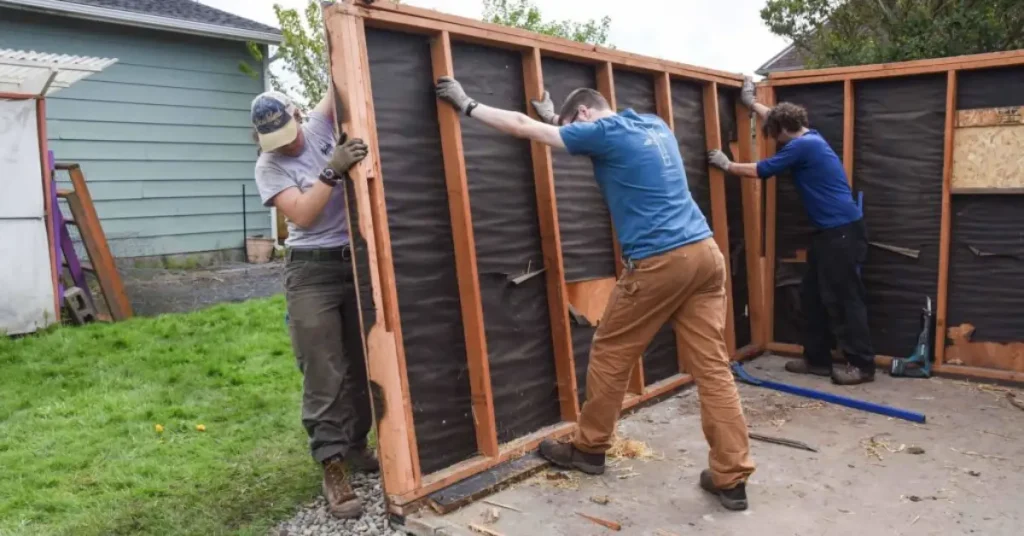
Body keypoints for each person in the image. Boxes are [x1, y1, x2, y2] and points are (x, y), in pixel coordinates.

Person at [435, 77, 755, 511]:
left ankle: (588, 448)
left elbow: (525, 128)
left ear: (584, 114)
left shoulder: (603, 132)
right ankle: (731, 478)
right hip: (704, 254)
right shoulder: (653, 125)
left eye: (572, 126)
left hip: (660, 261)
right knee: (713, 368)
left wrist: (468, 104)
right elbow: (587, 137)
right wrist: (557, 119)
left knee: (610, 352)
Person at [250, 90, 377, 519]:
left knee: (363, 361)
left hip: (355, 261)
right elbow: (303, 215)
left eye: (289, 134)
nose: (287, 145)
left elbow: (338, 82)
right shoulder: (268, 166)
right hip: (310, 271)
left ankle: (356, 445)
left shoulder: (320, 127)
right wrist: (331, 170)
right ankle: (332, 464)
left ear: (297, 114)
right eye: (276, 141)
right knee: (324, 368)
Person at [707, 78, 875, 386]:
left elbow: (761, 170)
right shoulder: (809, 135)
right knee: (812, 296)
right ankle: (817, 360)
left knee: (844, 299)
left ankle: (862, 366)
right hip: (829, 232)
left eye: (774, 133)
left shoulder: (802, 147)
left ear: (783, 130)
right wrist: (752, 104)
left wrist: (727, 165)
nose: (774, 138)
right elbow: (775, 116)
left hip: (842, 232)